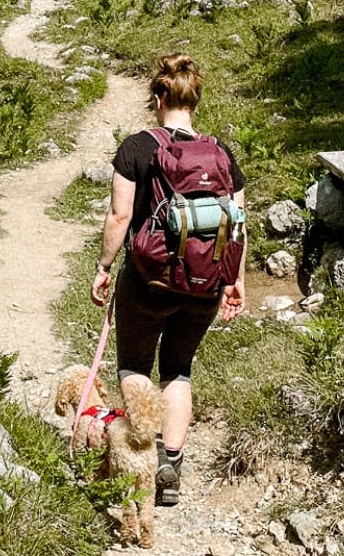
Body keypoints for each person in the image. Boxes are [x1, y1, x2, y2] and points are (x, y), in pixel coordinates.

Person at [90, 53, 246, 506]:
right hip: (205, 284)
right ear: (194, 101)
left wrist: (103, 268)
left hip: (148, 280)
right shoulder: (221, 155)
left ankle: (138, 457)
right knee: (178, 369)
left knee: (135, 366)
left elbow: (120, 215)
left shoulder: (137, 148)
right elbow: (237, 223)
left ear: (158, 98)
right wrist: (234, 279)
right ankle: (170, 465)